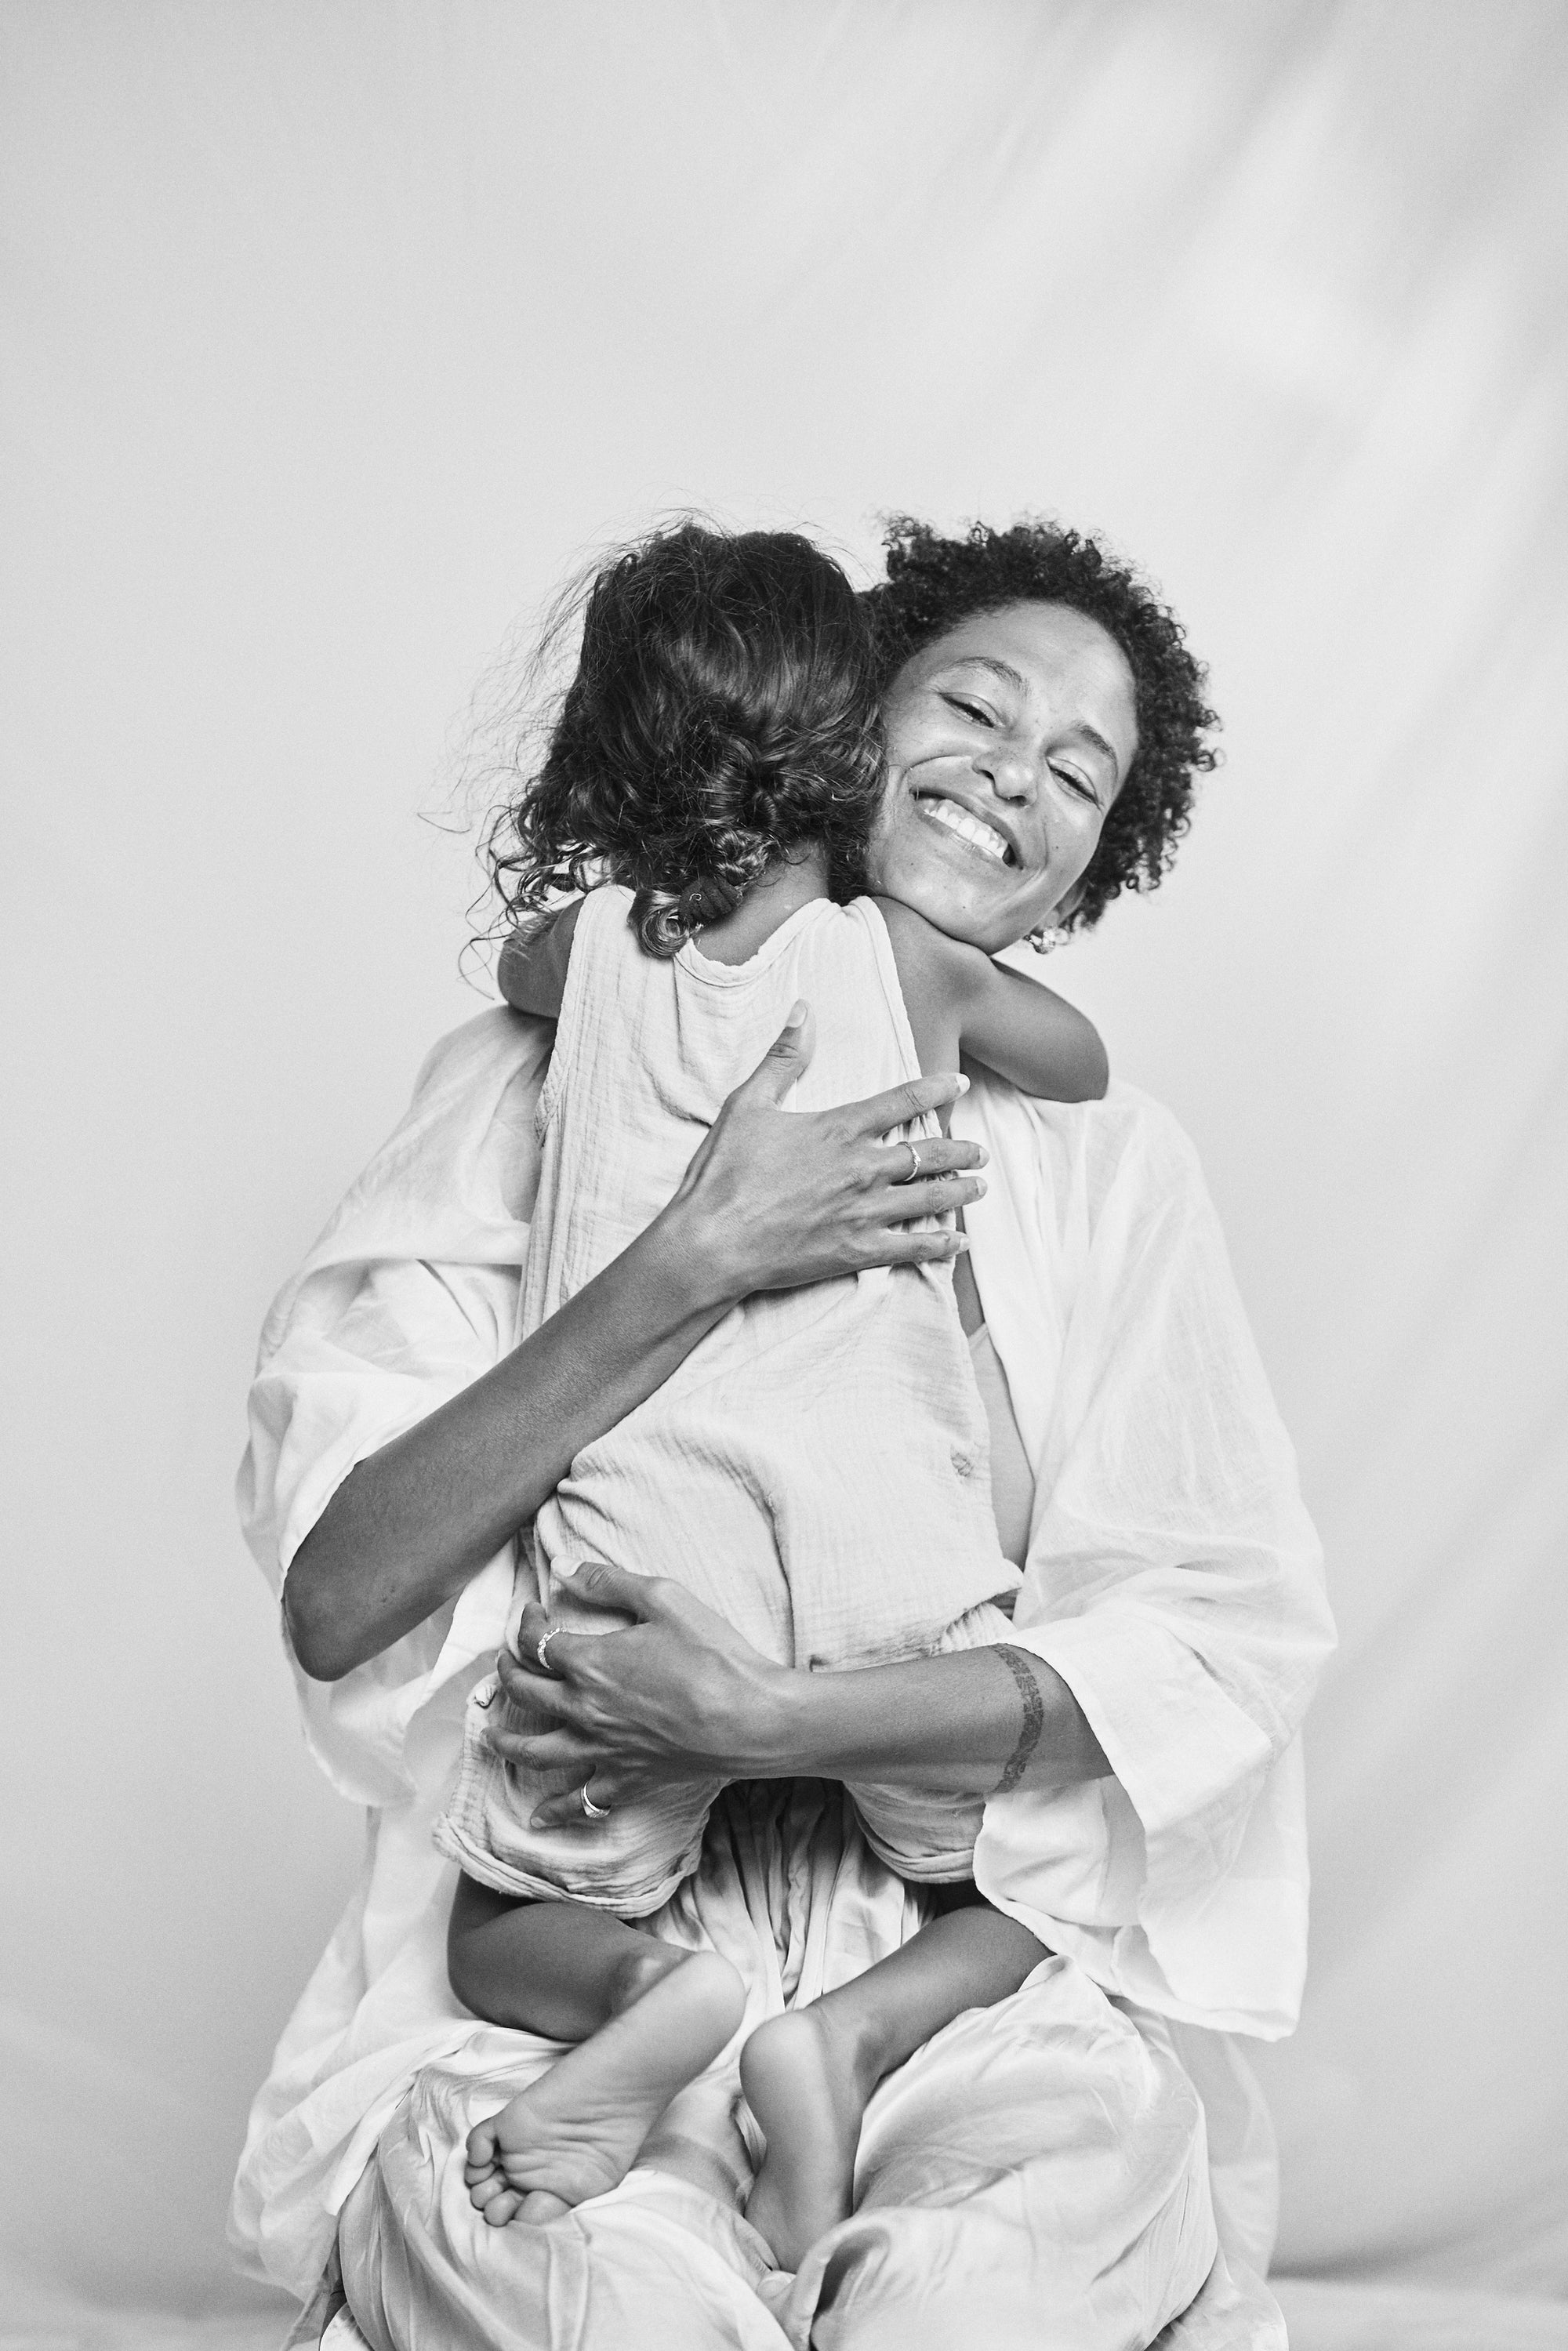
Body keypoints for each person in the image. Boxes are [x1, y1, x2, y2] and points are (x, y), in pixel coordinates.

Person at [233, 519, 1334, 2351]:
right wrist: (694, 1253)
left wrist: (764, 1719)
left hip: (962, 1953)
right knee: (602, 2309)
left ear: (1095, 859)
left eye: (1081, 773)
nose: (1015, 777)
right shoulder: (519, 1092)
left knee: (969, 2304)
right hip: (599, 1939)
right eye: (976, 708)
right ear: (852, 718)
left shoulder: (1112, 1174)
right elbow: (342, 1593)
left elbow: (1214, 1651)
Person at [434, 522, 1114, 2266]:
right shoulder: (905, 962)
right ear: (853, 752)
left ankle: (666, 1995)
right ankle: (838, 2038)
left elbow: (526, 986)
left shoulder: (571, 960)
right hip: (890, 1539)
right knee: (1036, 1887)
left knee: (497, 1930)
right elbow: (1084, 1064)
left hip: (648, 1545)